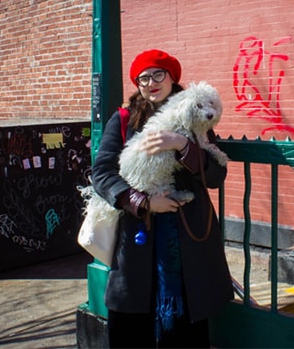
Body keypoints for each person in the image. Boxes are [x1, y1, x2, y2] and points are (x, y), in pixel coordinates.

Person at [90, 49, 234, 348]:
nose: (151, 82)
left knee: (186, 327)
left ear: (172, 78)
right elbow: (102, 172)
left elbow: (216, 177)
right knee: (133, 324)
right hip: (138, 235)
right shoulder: (123, 119)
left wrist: (182, 144)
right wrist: (141, 202)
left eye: (158, 74)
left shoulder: (196, 114)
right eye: (143, 78)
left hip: (188, 239)